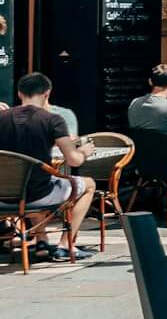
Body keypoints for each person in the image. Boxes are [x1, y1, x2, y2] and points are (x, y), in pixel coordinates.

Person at [1, 73, 98, 260]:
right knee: (89, 184)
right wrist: (84, 151)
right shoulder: (53, 120)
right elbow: (74, 161)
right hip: (38, 194)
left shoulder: (2, 117)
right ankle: (65, 246)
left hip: (3, 197)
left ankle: (41, 240)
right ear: (47, 93)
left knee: (39, 179)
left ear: (20, 93)